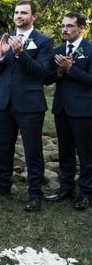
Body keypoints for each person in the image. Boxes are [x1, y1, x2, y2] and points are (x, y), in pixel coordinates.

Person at [0, 0, 54, 212]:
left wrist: (20, 53)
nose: (19, 16)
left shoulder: (43, 41)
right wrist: (1, 54)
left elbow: (42, 73)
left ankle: (35, 195)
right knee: (4, 147)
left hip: (30, 104)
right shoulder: (3, 38)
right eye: (16, 12)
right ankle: (3, 186)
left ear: (34, 16)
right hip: (3, 102)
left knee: (33, 151)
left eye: (24, 13)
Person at [44, 12, 92, 211]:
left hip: (83, 110)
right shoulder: (58, 50)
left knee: (86, 154)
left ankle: (87, 193)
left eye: (70, 26)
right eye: (63, 25)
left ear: (81, 28)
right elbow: (47, 79)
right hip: (61, 109)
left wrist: (71, 69)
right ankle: (66, 189)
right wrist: (60, 71)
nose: (65, 29)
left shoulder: (90, 50)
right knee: (65, 152)